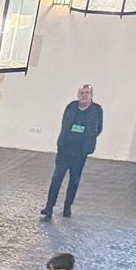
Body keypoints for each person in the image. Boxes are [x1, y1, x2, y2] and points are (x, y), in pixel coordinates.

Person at [42, 83, 102, 218]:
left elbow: (98, 128)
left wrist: (86, 143)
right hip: (65, 149)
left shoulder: (96, 110)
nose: (84, 95)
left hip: (80, 151)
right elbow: (65, 124)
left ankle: (67, 206)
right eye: (82, 93)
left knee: (74, 179)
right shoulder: (71, 106)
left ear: (91, 95)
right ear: (78, 95)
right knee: (57, 177)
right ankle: (49, 207)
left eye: (87, 93)